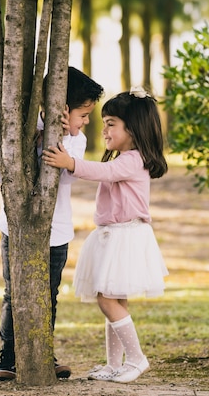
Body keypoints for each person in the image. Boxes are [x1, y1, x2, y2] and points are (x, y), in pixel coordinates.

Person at [42, 87, 169, 384]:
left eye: (112, 123)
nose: (105, 129)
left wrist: (70, 163)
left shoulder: (132, 160)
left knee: (106, 299)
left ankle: (137, 359)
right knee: (115, 301)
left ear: (134, 129)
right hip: (114, 236)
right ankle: (114, 365)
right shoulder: (125, 157)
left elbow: (102, 172)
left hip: (125, 237)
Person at [0, 66, 104, 381]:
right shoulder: (25, 129)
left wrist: (73, 134)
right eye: (84, 113)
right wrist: (29, 143)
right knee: (14, 293)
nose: (87, 120)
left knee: (48, 292)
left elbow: (70, 173)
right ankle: (9, 356)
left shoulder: (76, 140)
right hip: (16, 230)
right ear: (62, 108)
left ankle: (41, 351)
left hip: (57, 233)